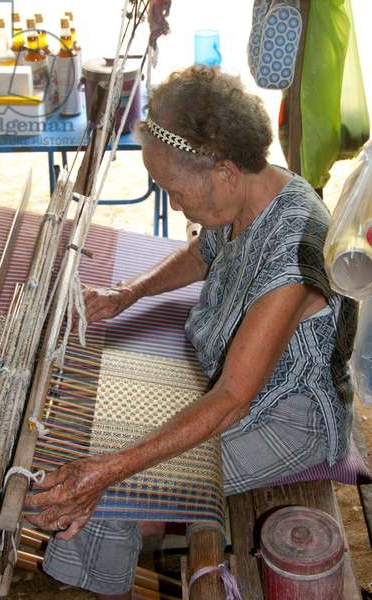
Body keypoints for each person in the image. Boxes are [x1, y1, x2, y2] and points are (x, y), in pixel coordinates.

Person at [25, 66, 357, 599]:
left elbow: (230, 399)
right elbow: (201, 252)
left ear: (223, 170)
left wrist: (106, 470)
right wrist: (126, 294)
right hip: (226, 381)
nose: (175, 205)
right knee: (103, 450)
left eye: (175, 191)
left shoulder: (295, 253)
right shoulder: (249, 192)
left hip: (287, 419)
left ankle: (90, 586)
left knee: (119, 490)